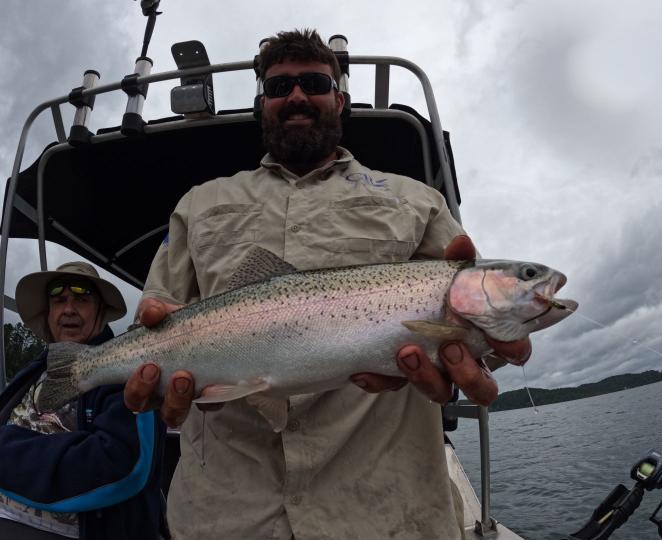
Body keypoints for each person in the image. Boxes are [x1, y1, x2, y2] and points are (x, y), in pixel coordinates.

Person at [124, 29, 531, 539]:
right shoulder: (198, 203)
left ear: (340, 99)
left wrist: (486, 350)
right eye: (279, 88)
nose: (296, 96)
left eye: (314, 82)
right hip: (225, 514)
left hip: (388, 512)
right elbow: (160, 311)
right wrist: (152, 373)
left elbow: (467, 330)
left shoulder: (419, 199)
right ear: (262, 104)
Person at [0, 262, 167, 540]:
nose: (68, 309)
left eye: (82, 299)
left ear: (100, 312)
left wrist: (6, 453)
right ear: (49, 313)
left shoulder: (130, 369)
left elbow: (123, 466)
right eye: (59, 300)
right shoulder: (33, 370)